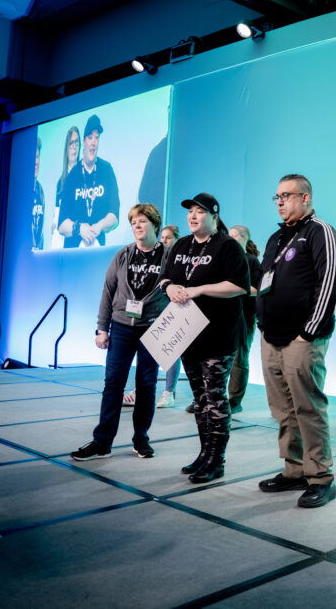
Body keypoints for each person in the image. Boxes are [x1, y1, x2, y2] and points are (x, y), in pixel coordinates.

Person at [256, 174, 336, 508]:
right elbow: (266, 281)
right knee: (282, 409)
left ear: (305, 198)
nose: (279, 201)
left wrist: (308, 330)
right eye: (276, 196)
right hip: (271, 336)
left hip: (302, 338)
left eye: (286, 195)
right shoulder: (277, 238)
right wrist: (261, 321)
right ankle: (294, 471)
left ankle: (321, 476)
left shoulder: (319, 231)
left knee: (307, 408)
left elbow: (329, 284)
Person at [158, 193, 249, 483]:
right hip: (187, 333)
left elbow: (238, 286)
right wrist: (169, 288)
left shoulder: (228, 246)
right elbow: (165, 278)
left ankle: (216, 460)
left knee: (215, 397)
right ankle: (204, 454)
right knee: (199, 399)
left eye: (200, 211)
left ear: (214, 216)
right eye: (190, 212)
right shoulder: (182, 245)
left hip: (219, 334)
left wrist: (199, 290)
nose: (193, 216)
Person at [70, 203, 170, 462]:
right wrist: (102, 329)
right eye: (133, 222)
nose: (137, 226)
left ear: (155, 225)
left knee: (146, 386)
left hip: (153, 328)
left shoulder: (169, 256)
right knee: (113, 384)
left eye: (142, 221)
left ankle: (141, 439)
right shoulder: (122, 255)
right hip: (122, 327)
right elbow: (108, 292)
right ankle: (102, 442)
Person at [58, 115, 120, 248]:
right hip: (73, 253)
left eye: (97, 137)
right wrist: (79, 228)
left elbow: (114, 216)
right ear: (84, 141)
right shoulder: (72, 175)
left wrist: (99, 226)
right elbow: (61, 225)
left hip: (97, 252)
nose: (93, 142)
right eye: (90, 137)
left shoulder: (107, 170)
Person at [227, 224, 262, 413]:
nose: (231, 239)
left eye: (235, 236)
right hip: (224, 315)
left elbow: (257, 289)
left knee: (239, 358)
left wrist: (234, 290)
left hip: (244, 316)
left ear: (245, 239)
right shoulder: (225, 260)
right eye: (229, 236)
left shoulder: (252, 261)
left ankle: (235, 400)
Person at [155, 224, 182, 409]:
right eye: (162, 237)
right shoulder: (155, 256)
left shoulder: (180, 259)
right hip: (156, 308)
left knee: (172, 352)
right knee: (153, 350)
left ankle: (169, 391)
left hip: (176, 310)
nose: (164, 241)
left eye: (168, 238)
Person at [33, 138, 45, 250]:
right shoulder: (20, 191)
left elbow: (40, 229)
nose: (36, 162)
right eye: (33, 157)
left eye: (37, 157)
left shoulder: (40, 190)